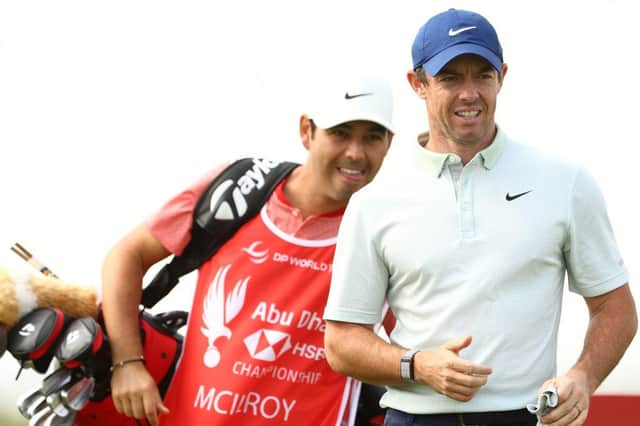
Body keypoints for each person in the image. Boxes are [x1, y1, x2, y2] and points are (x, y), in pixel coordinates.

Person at [323, 8, 637, 426]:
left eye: (482, 75)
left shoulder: (566, 182)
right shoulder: (375, 200)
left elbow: (615, 309)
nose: (469, 93)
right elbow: (341, 343)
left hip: (527, 418)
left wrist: (583, 376)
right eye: (450, 78)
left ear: (502, 77)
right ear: (418, 84)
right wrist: (416, 366)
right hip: (416, 418)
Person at [100, 76, 394, 426]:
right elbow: (126, 256)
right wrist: (128, 363)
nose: (355, 153)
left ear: (389, 143)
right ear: (306, 131)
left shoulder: (390, 233)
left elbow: (420, 336)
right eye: (340, 133)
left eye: (372, 137)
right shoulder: (239, 189)